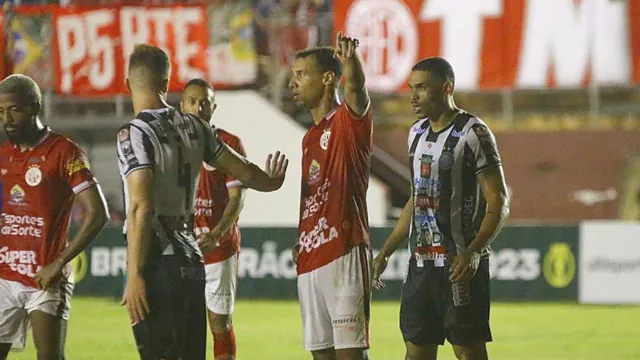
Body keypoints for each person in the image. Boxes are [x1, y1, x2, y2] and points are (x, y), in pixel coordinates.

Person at [117, 44, 288, 360]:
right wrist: (272, 182)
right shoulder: (196, 127)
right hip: (191, 257)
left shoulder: (134, 133)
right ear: (168, 85)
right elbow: (245, 171)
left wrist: (135, 275)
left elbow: (142, 207)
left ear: (127, 83)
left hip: (156, 260)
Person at [372, 57, 510, 360]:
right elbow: (415, 198)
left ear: (446, 87)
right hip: (420, 269)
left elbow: (499, 201)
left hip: (458, 268)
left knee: (468, 352)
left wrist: (474, 250)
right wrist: (384, 253)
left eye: (422, 88)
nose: (413, 96)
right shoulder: (416, 133)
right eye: (411, 88)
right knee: (416, 353)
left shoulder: (474, 132)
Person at [0, 74, 109, 360]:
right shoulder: (3, 154)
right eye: (1, 112)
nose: (7, 118)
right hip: (4, 276)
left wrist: (59, 263)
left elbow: (97, 213)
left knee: (49, 357)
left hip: (44, 277)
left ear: (35, 107)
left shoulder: (63, 151)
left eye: (15, 109)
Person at [289, 31, 372, 360]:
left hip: (344, 252)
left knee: (350, 355)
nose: (293, 83)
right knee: (322, 355)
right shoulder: (309, 137)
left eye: (301, 75)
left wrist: (350, 61)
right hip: (311, 258)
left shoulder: (346, 121)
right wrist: (304, 234)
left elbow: (356, 90)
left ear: (327, 78)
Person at [180, 78, 245, 360]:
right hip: (182, 252)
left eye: (204, 102)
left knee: (219, 323)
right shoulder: (172, 146)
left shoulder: (229, 144)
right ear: (182, 107)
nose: (198, 107)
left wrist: (217, 233)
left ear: (213, 107)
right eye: (192, 102)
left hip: (218, 249)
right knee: (181, 327)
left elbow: (237, 198)